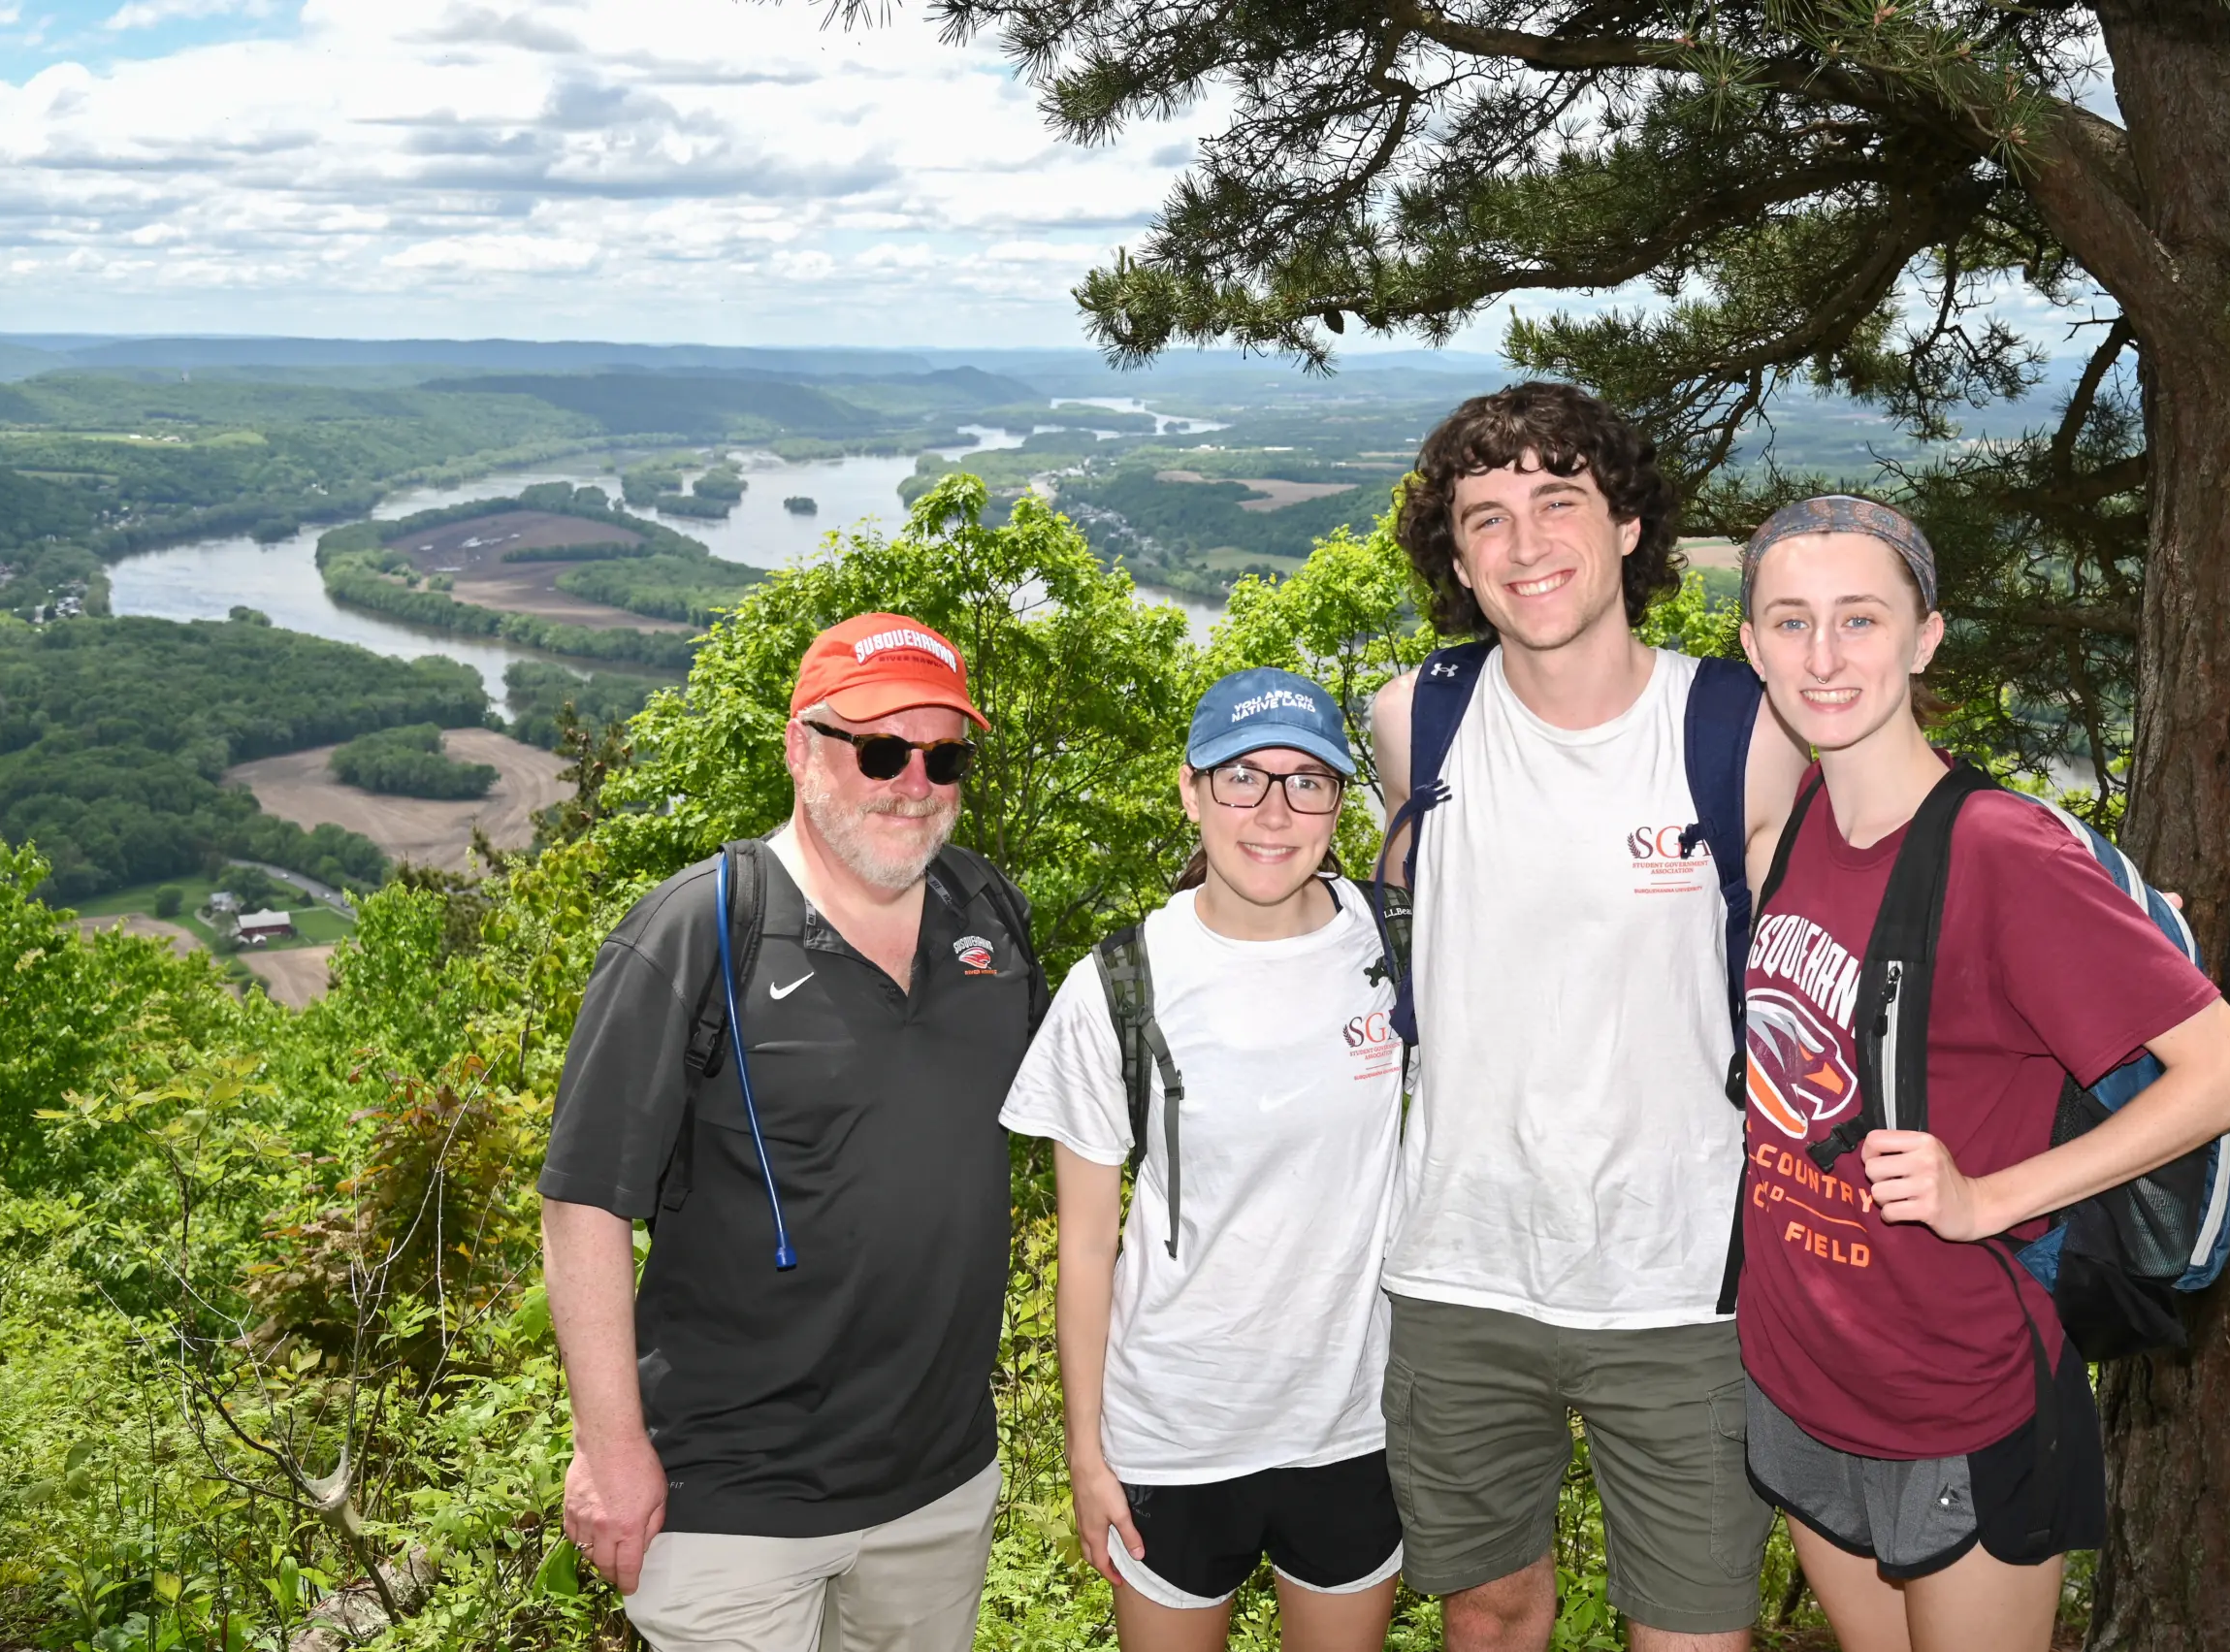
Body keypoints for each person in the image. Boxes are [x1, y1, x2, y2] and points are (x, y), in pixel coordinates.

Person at [1729, 497, 2230, 1652]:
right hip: (1798, 1365)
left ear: (1925, 637)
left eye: (1860, 619)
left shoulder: (1995, 849)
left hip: (1953, 1388)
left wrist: (1988, 1197)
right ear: (1750, 644)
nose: (1823, 656)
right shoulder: (1800, 825)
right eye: (1789, 621)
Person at [1370, 382, 1810, 1652]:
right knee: (1494, 1612)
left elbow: (1887, 875)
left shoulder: (1742, 726)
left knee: (1691, 1626)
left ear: (1624, 524)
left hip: (1681, 1278)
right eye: (1487, 516)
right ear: (1455, 556)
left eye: (1558, 500)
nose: (1526, 543)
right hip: (1462, 1266)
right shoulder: (1419, 719)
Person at [537, 612, 1048, 1652]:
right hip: (729, 1497)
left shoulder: (987, 914)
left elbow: (1082, 1119)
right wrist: (610, 1445)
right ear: (798, 748)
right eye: (878, 748)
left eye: (943, 753)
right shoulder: (700, 929)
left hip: (937, 1486)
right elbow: (583, 1201)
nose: (913, 780)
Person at [1001, 667, 1408, 1652]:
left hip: (1351, 1422)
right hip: (1174, 1429)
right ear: (1190, 789)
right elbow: (1088, 1245)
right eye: (1241, 778)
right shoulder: (1121, 983)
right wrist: (1086, 1451)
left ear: (1338, 802)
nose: (1273, 811)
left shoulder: (1396, 941)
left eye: (1306, 780)